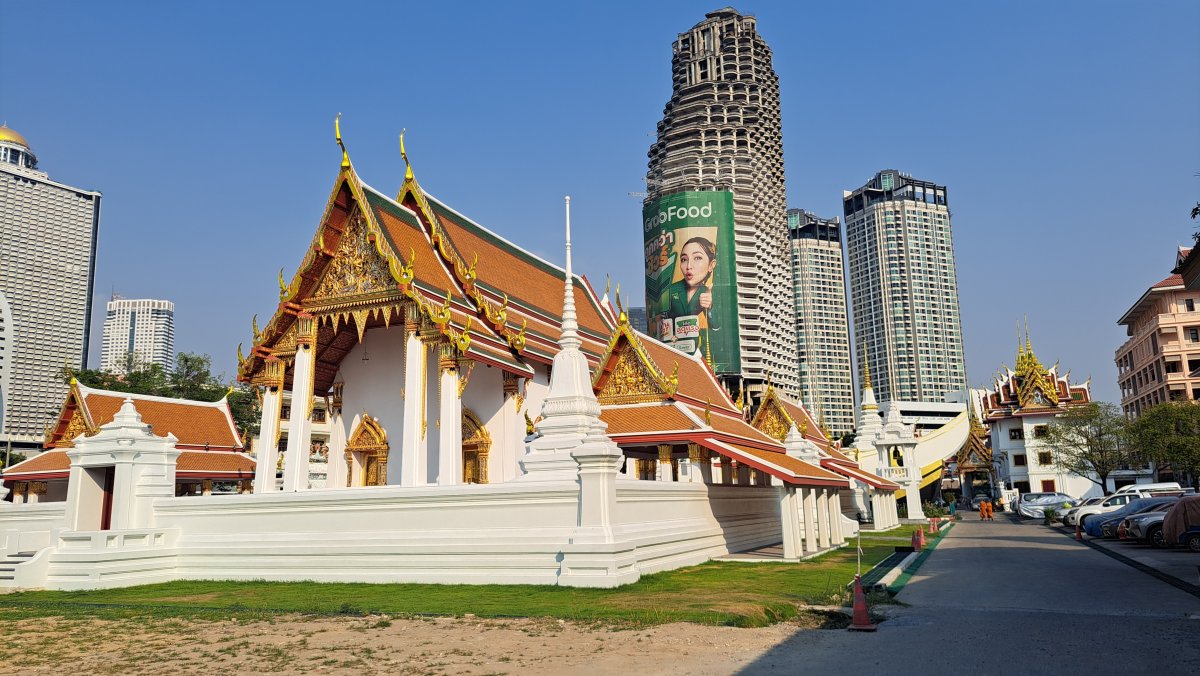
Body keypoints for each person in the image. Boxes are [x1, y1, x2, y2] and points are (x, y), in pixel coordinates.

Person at [666, 237, 721, 331]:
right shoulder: (670, 290)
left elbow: (716, 327)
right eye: (684, 259)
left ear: (711, 265)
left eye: (697, 258)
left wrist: (710, 307)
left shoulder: (708, 292)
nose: (688, 266)